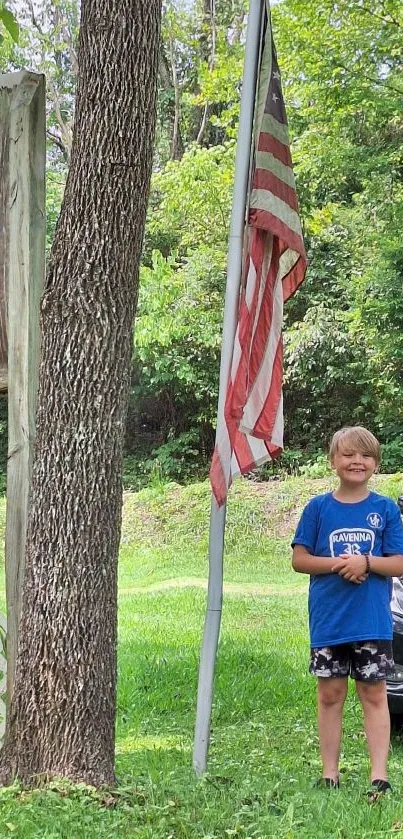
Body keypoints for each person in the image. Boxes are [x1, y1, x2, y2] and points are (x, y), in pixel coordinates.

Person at [292, 426, 403, 793]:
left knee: (374, 693)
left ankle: (379, 774)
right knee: (330, 694)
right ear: (333, 460)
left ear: (376, 463)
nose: (357, 461)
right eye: (349, 454)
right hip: (330, 622)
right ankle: (329, 773)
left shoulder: (385, 509)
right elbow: (300, 559)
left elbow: (398, 563)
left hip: (371, 622)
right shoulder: (318, 508)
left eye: (366, 455)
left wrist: (367, 563)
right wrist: (341, 565)